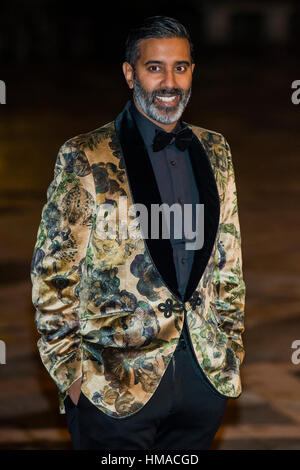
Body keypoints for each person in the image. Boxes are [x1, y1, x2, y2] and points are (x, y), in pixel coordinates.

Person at [30, 15, 246, 450]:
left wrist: (230, 349)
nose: (170, 81)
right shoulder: (85, 156)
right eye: (155, 67)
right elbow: (52, 276)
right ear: (130, 73)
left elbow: (229, 263)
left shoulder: (215, 149)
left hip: (202, 382)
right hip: (114, 390)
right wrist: (74, 379)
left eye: (180, 67)